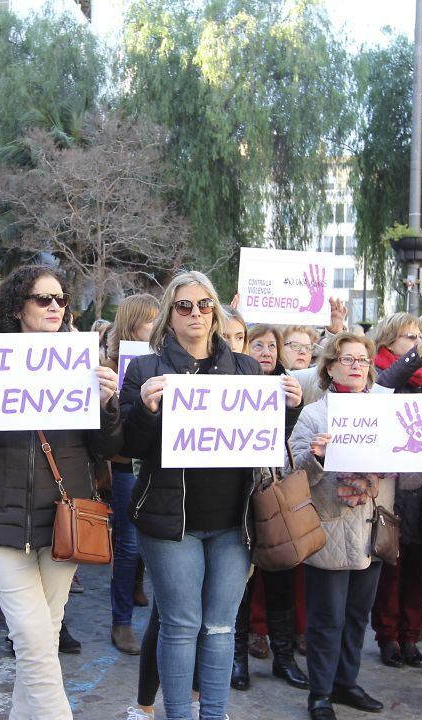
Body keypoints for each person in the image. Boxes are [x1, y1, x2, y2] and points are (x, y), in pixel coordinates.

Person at [0, 265, 122, 719]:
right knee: (31, 634)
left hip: (64, 516)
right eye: (44, 299)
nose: (55, 306)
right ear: (18, 307)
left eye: (61, 299)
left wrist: (107, 405)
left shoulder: (82, 364)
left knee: (43, 632)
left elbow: (106, 448)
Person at [119, 270, 257, 720]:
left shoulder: (246, 369)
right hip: (170, 522)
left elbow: (265, 443)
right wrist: (144, 408)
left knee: (220, 627)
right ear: (170, 315)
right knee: (180, 625)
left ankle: (213, 714)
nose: (195, 313)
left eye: (204, 305)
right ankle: (178, 715)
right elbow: (128, 446)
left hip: (233, 523)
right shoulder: (145, 370)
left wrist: (289, 411)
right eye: (184, 306)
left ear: (215, 313)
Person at [290, 332, 422, 720]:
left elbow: (408, 479)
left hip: (373, 531)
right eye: (348, 359)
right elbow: (294, 475)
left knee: (358, 615)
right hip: (329, 530)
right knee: (327, 618)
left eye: (363, 360)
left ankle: (346, 682)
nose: (357, 366)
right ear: (330, 367)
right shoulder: (314, 414)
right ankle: (320, 694)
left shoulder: (387, 412)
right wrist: (317, 456)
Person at [368, 313, 422, 670]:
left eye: (420, 336)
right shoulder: (381, 375)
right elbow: (385, 387)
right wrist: (419, 353)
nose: (418, 342)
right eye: (410, 337)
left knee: (419, 568)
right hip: (392, 486)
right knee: (391, 567)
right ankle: (387, 636)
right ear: (389, 342)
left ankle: (411, 635)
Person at [232, 324, 307, 691]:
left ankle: (284, 657)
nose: (265, 352)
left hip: (275, 496)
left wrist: (294, 406)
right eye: (257, 344)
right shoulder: (228, 383)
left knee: (280, 578)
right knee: (241, 582)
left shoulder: (289, 387)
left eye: (271, 346)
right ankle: (237, 659)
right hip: (236, 499)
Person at [104, 293, 159, 657]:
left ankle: (137, 584)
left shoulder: (167, 359)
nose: (157, 325)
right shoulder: (110, 364)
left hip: (160, 461)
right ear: (133, 323)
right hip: (125, 462)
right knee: (127, 543)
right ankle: (121, 621)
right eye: (151, 319)